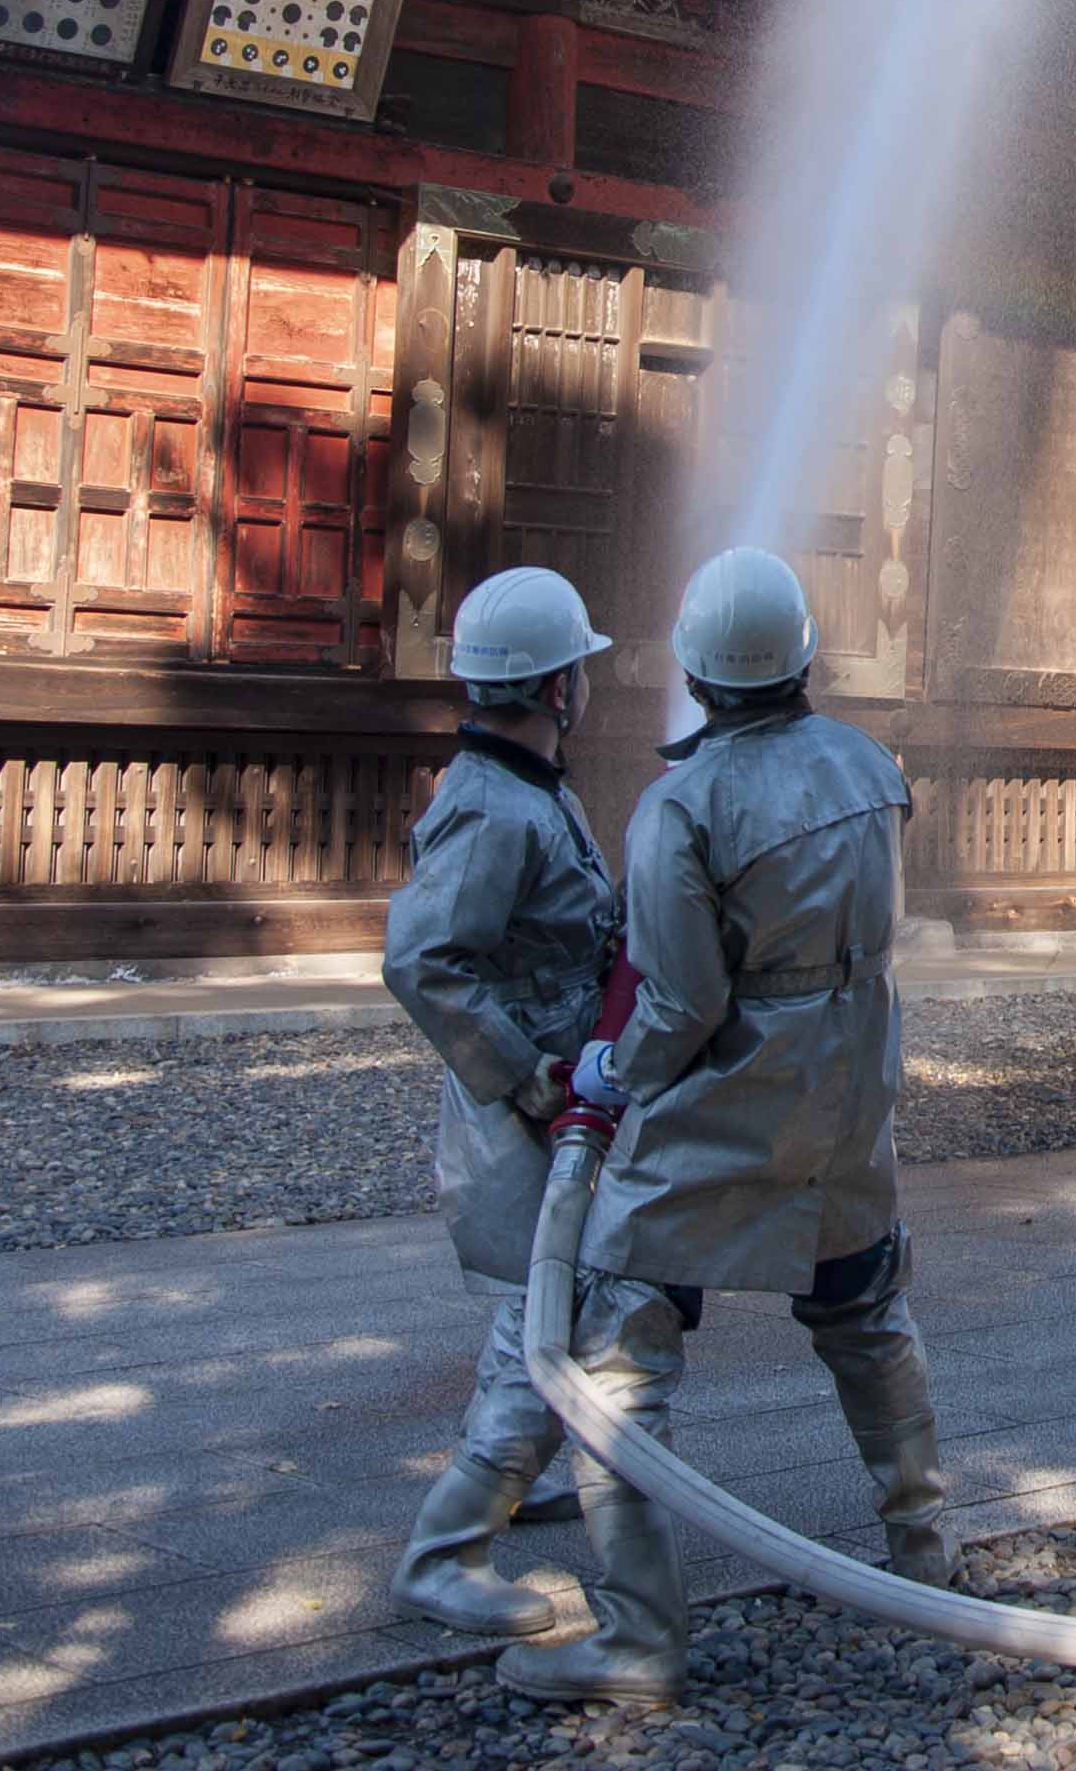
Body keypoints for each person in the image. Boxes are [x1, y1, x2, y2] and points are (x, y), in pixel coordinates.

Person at [502, 548, 951, 1708]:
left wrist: (609, 1074)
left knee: (617, 1350)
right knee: (865, 1308)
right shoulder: (871, 766)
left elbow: (685, 1002)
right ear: (804, 655)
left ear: (697, 677)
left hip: (724, 1106)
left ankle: (640, 1636)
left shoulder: (680, 806)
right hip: (849, 1084)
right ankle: (926, 1551)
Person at [379, 567, 622, 1640]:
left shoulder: (533, 789)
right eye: (583, 667)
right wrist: (531, 1079)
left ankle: (520, 1483)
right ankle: (446, 1549)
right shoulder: (493, 807)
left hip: (558, 1099)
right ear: (559, 683)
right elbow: (424, 959)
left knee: (562, 1298)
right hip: (526, 1107)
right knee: (546, 1315)